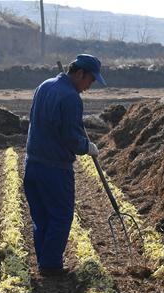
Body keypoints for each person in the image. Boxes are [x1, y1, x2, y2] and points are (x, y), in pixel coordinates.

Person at [23, 54, 104, 275]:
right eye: (90, 80)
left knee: (41, 216)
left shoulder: (44, 86)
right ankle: (50, 266)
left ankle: (45, 261)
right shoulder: (70, 98)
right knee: (60, 215)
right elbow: (71, 137)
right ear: (80, 74)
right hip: (55, 167)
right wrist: (87, 147)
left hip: (32, 163)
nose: (89, 86)